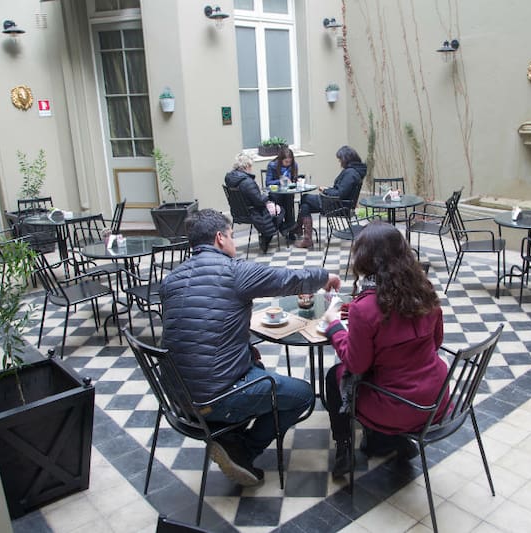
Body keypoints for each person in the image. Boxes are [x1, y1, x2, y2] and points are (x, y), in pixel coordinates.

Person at [159, 209, 342, 487]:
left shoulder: (170, 280)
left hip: (177, 400)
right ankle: (243, 450)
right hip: (214, 400)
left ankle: (228, 437)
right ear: (220, 238)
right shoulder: (234, 271)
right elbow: (286, 279)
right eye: (231, 236)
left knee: (256, 363)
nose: (233, 242)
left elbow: (196, 329)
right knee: (302, 394)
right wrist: (324, 277)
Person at [319, 222, 447, 478]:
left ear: (364, 259)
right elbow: (436, 342)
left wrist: (333, 326)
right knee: (375, 375)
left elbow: (357, 364)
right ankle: (391, 441)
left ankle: (345, 449)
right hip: (436, 398)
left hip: (398, 406)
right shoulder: (424, 290)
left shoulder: (365, 308)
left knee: (336, 376)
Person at [294, 145, 367, 249]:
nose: (339, 162)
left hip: (338, 206)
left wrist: (325, 190)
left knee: (305, 198)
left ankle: (298, 229)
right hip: (338, 204)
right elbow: (341, 190)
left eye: (340, 159)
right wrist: (328, 189)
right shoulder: (354, 171)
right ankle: (306, 239)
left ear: (345, 159)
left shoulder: (351, 173)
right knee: (305, 206)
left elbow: (340, 194)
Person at [224, 152, 283, 253]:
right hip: (253, 212)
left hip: (239, 212)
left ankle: (266, 235)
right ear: (247, 166)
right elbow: (259, 201)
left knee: (274, 208)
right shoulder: (247, 182)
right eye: (251, 166)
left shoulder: (230, 179)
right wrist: (266, 195)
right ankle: (267, 237)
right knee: (280, 210)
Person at [266, 147, 300, 239]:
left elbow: (294, 180)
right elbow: (268, 183)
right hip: (276, 194)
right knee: (285, 204)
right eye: (286, 162)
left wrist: (296, 182)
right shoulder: (272, 165)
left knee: (289, 200)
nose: (288, 164)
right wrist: (280, 181)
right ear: (280, 160)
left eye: (290, 161)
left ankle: (288, 228)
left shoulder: (294, 165)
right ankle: (287, 227)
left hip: (288, 193)